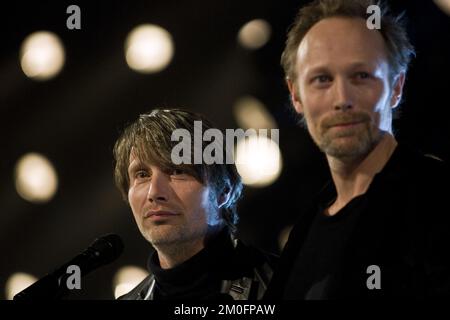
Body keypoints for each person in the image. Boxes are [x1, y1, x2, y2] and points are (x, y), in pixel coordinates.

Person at [265, 0, 450, 299]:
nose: (342, 98)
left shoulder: (437, 197)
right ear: (296, 95)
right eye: (322, 79)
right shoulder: (304, 231)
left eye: (361, 75)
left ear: (397, 86)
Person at [113, 108, 273, 300]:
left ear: (223, 190)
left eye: (177, 171)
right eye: (142, 175)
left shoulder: (290, 282)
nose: (154, 192)